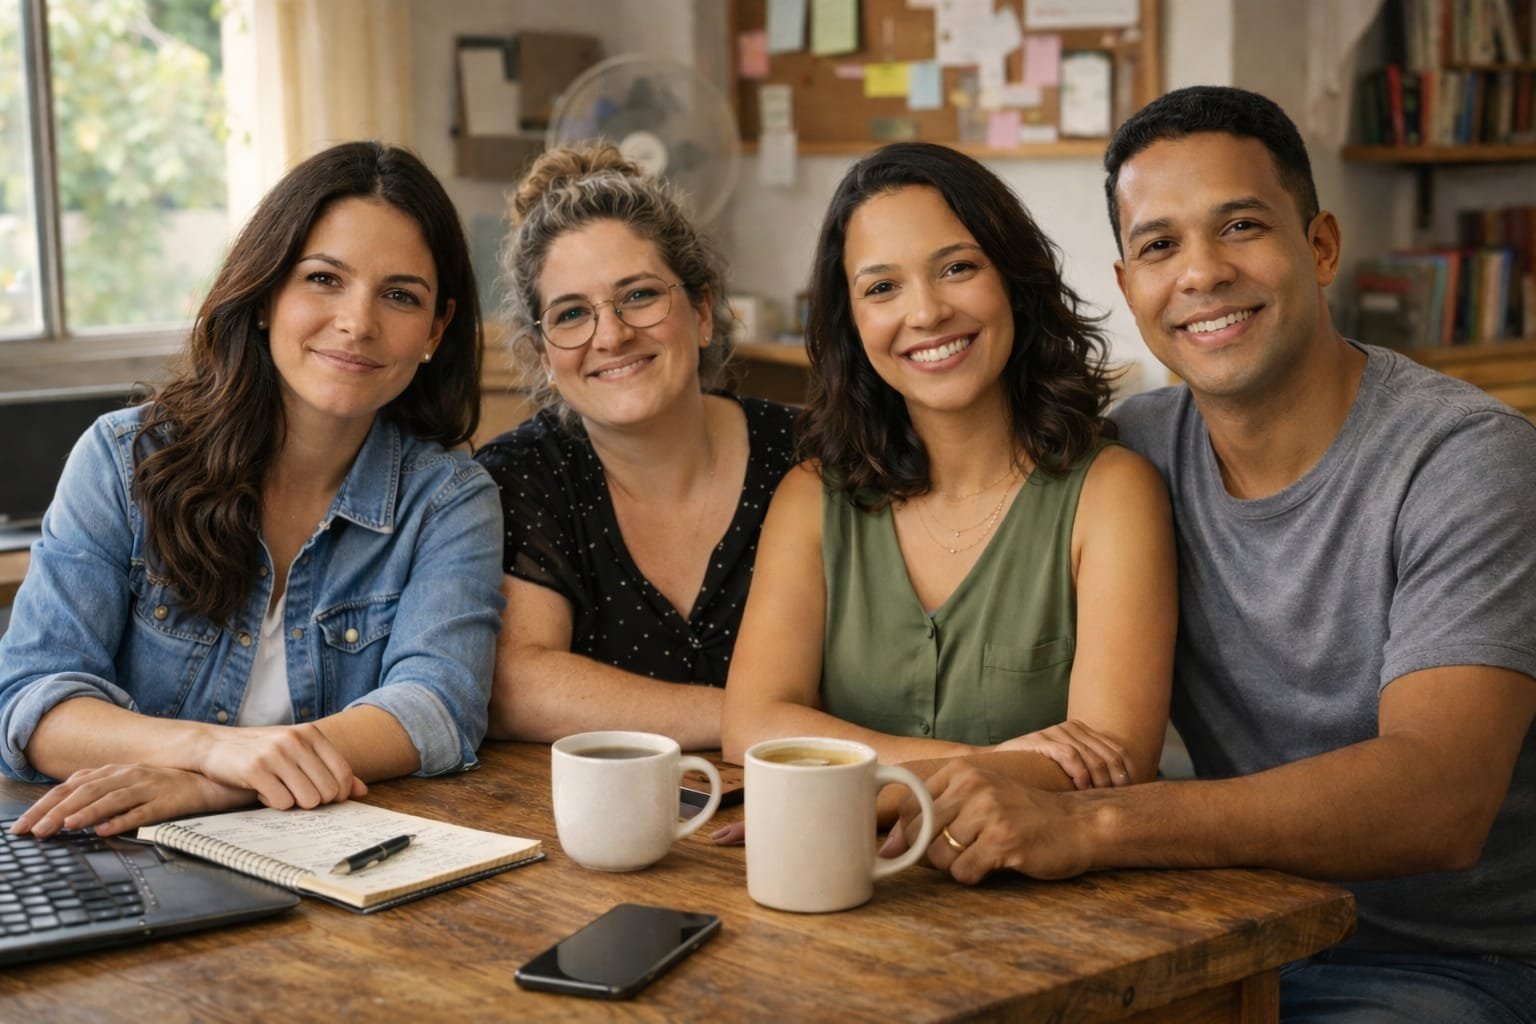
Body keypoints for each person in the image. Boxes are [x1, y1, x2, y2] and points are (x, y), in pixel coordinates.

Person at [887, 87, 1536, 1022]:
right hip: (1213, 924)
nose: (1200, 273)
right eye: (1159, 245)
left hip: (1456, 964)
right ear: (1126, 285)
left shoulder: (1467, 461)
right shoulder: (1131, 454)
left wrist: (1092, 822)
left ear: (1320, 247)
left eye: (1239, 226)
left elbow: (1438, 799)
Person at [1, 141, 505, 839]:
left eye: (399, 295)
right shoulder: (123, 461)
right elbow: (33, 700)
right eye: (324, 279)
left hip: (328, 866)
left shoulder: (449, 499)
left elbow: (437, 709)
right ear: (267, 294)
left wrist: (214, 789)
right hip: (113, 851)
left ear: (435, 330)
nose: (358, 322)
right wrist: (212, 750)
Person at [721, 142, 1175, 798]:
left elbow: (1112, 761)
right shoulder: (813, 498)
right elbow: (753, 725)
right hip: (847, 878)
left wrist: (854, 763)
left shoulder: (1111, 494)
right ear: (851, 322)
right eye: (882, 287)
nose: (927, 312)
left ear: (1014, 280)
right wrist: (987, 762)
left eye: (957, 267)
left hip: (1055, 893)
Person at [474, 144, 797, 750]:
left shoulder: (809, 453)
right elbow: (517, 686)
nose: (613, 335)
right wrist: (762, 720)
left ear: (702, 313)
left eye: (640, 296)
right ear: (544, 357)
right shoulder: (519, 476)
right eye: (571, 314)